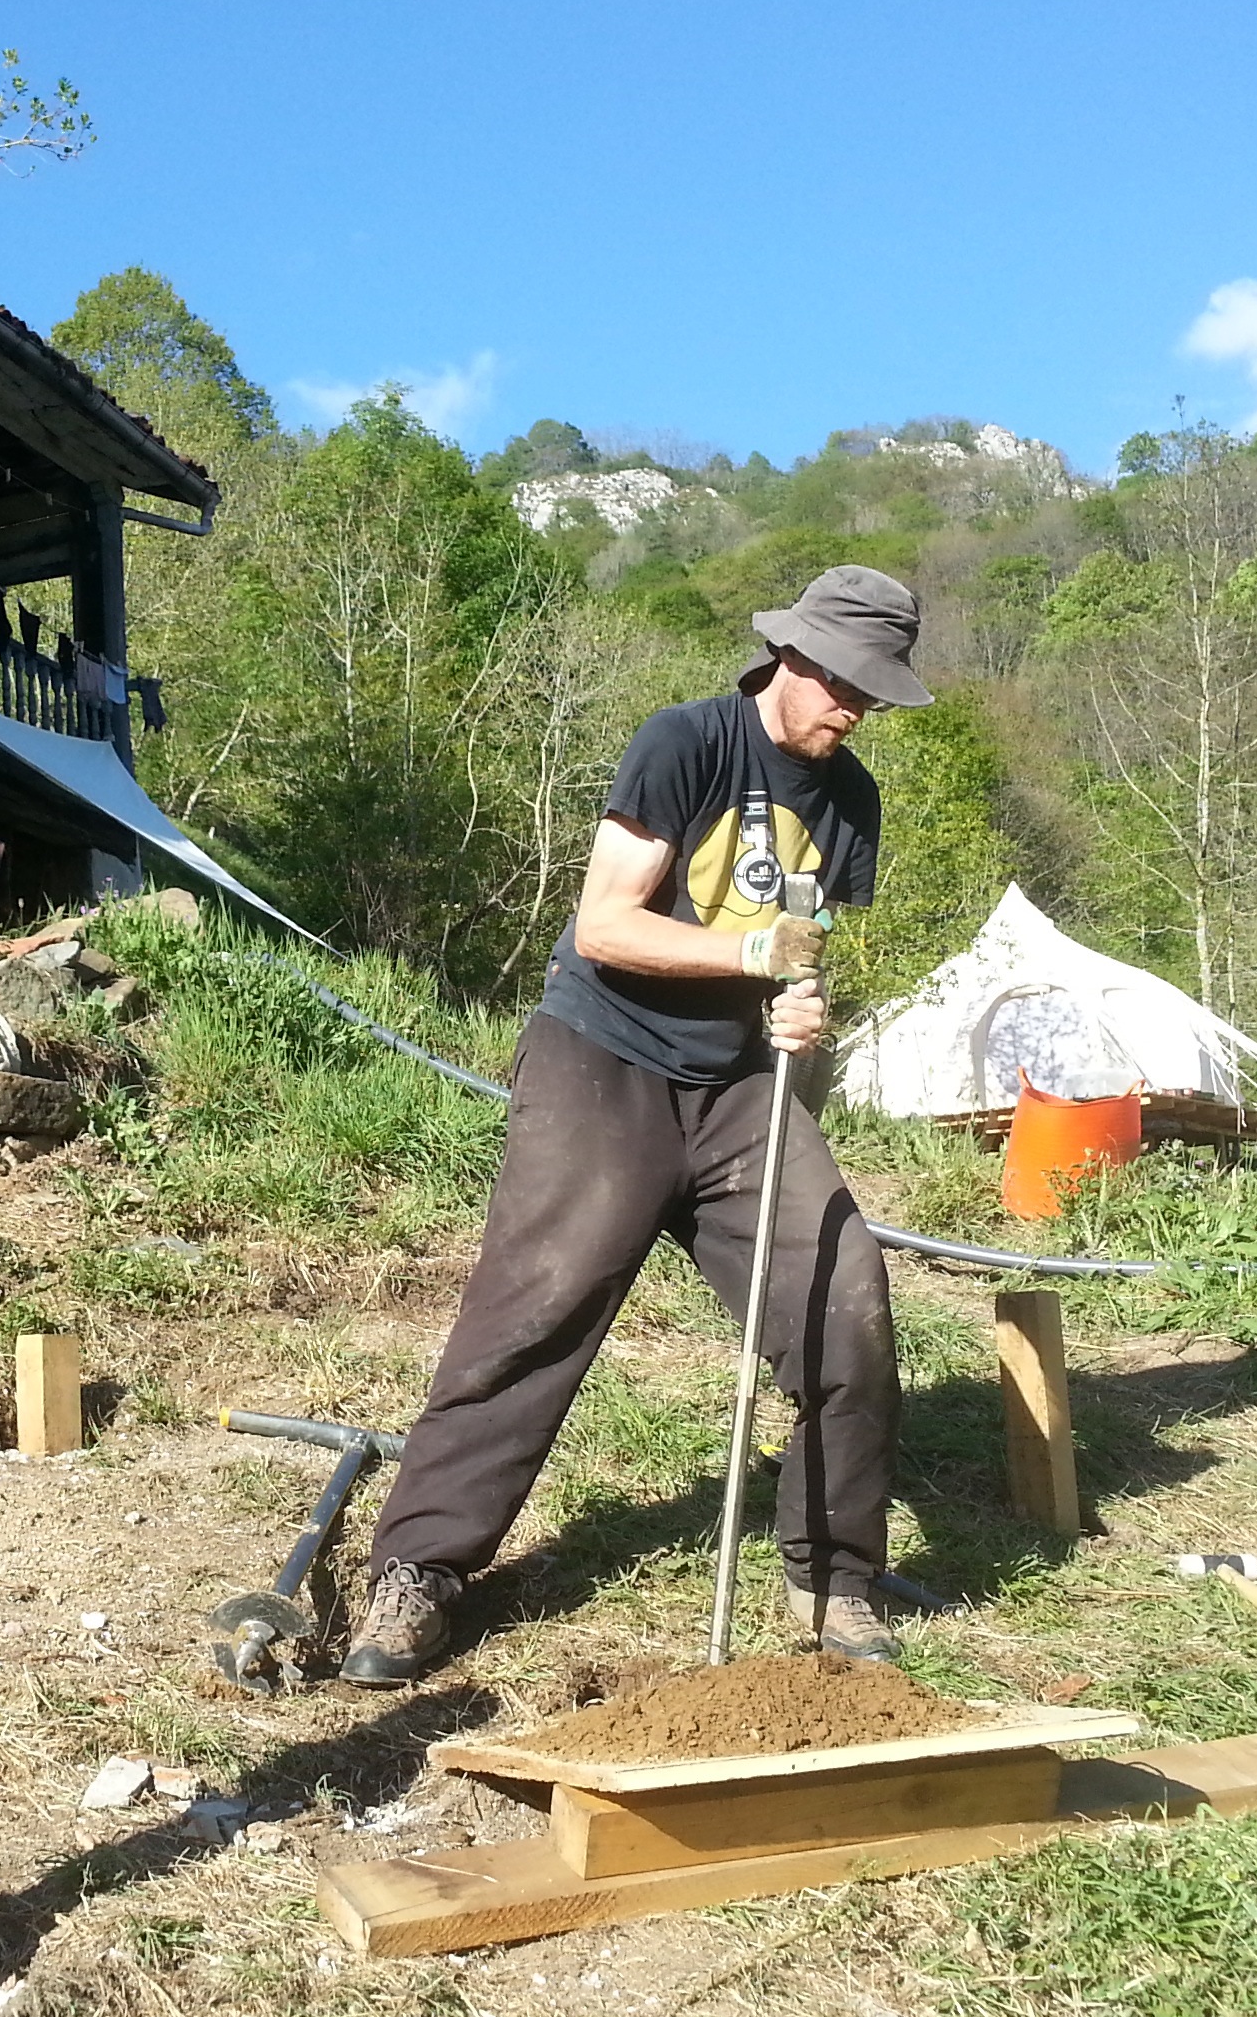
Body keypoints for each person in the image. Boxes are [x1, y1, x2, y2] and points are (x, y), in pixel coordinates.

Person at [341, 564, 930, 1686]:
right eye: (844, 683)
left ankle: (835, 1578)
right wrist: (752, 952)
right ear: (792, 656)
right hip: (602, 1061)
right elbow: (606, 925)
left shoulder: (849, 800)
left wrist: (802, 1005)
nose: (855, 708)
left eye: (874, 692)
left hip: (741, 1088)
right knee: (536, 1310)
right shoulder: (687, 742)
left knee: (845, 1298)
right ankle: (421, 1570)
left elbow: (802, 948)